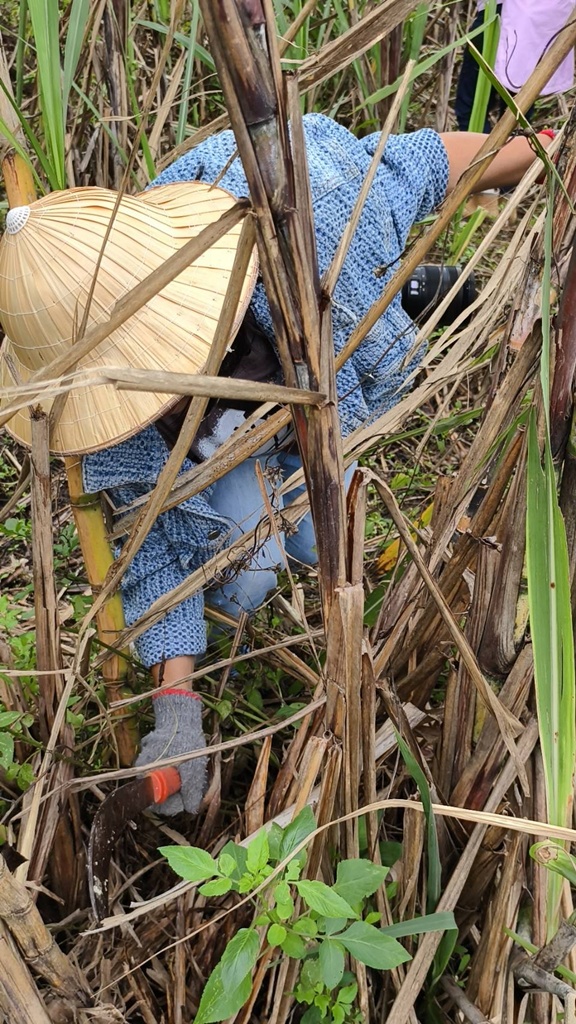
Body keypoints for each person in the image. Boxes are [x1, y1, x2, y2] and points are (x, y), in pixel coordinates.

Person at [0, 115, 557, 816]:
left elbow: (428, 162)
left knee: (331, 535)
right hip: (253, 447)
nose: (148, 400)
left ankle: (415, 294)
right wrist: (176, 704)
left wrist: (544, 156)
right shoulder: (96, 395)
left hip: (305, 358)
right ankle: (252, 595)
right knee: (249, 568)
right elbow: (155, 553)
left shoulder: (321, 222)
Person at [455, 0, 575, 131]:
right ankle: (496, 149)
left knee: (473, 110)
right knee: (517, 115)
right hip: (539, 26)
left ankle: (485, 149)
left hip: (508, 17)